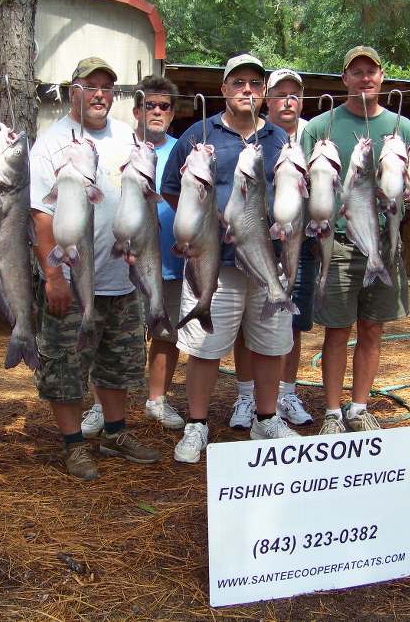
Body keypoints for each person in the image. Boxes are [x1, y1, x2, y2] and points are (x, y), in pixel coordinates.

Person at [161, 53, 299, 465]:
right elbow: (172, 188)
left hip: (265, 260)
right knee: (205, 347)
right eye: (237, 82)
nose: (247, 90)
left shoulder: (278, 138)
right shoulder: (198, 135)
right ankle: (197, 424)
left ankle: (266, 417)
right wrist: (202, 224)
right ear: (224, 89)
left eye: (255, 84)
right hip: (212, 264)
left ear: (264, 92)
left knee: (271, 345)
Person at [30, 57, 160, 480]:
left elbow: (141, 199)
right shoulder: (51, 142)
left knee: (119, 362)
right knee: (66, 365)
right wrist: (53, 276)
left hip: (122, 278)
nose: (100, 94)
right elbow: (39, 214)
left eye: (107, 87)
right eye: (91, 86)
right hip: (71, 281)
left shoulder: (127, 137)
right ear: (74, 91)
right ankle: (73, 444)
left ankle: (115, 431)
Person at [300, 46, 410, 434]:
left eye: (372, 71)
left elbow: (409, 187)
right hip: (340, 244)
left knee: (372, 328)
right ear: (344, 78)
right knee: (337, 329)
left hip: (384, 242)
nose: (365, 77)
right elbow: (303, 186)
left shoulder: (402, 128)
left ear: (382, 76)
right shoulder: (319, 128)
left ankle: (359, 406)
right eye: (356, 72)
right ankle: (332, 412)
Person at [80, 75, 185, 435]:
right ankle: (100, 405)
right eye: (149, 105)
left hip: (170, 263)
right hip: (117, 263)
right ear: (137, 110)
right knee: (109, 337)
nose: (156, 111)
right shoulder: (119, 144)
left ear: (173, 113)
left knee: (165, 333)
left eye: (164, 106)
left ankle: (157, 399)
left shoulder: (184, 148)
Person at [230, 68, 316, 429]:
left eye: (294, 94)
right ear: (269, 97)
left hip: (302, 242)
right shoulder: (262, 136)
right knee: (246, 328)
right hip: (261, 247)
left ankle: (287, 392)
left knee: (291, 324)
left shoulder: (314, 135)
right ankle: (247, 397)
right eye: (280, 94)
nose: (288, 101)